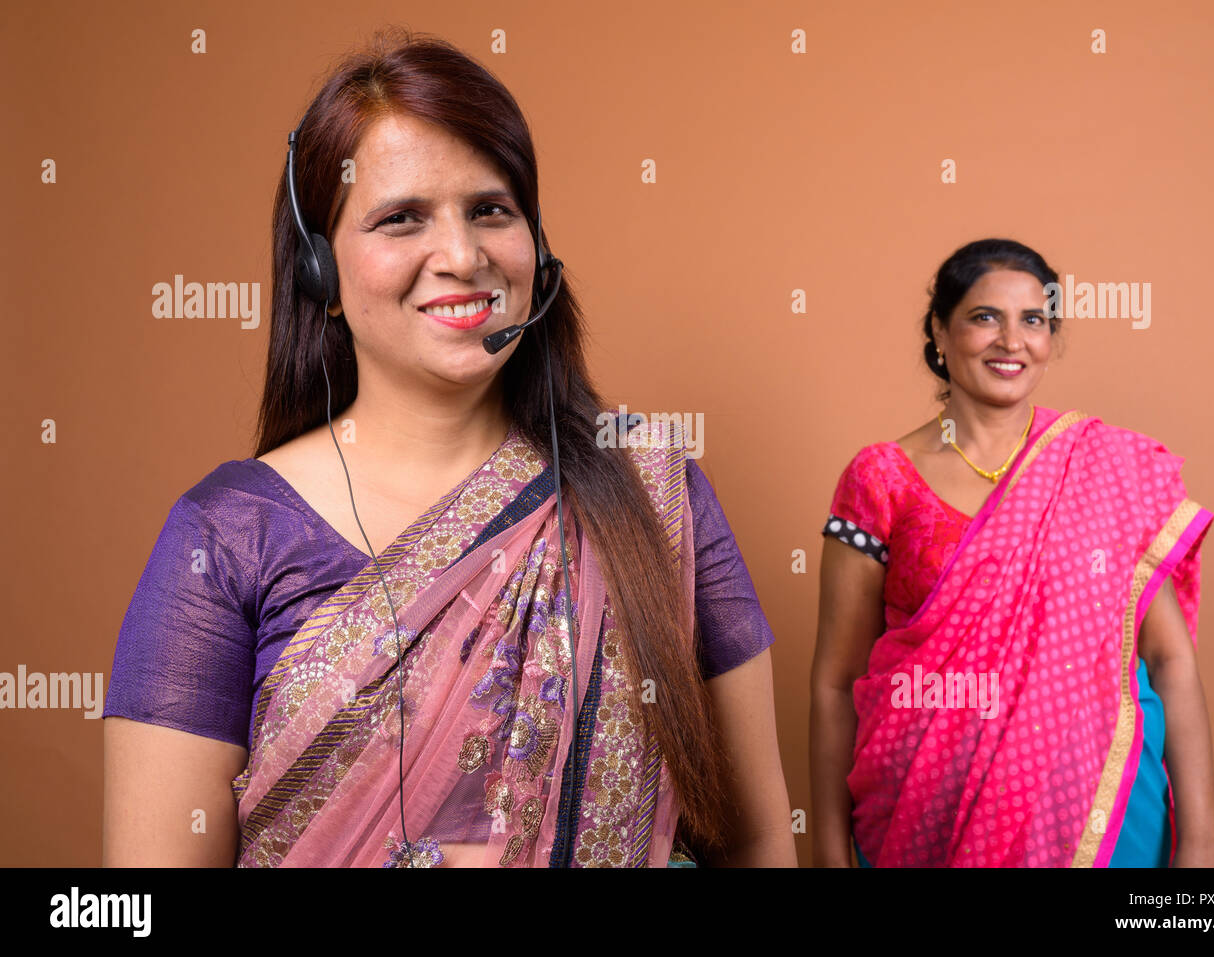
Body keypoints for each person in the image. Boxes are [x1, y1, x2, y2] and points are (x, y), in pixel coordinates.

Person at [103, 29, 794, 868]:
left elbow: (760, 841)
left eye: (490, 210)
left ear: (538, 251)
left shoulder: (654, 491)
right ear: (320, 271)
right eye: (401, 219)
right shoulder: (227, 535)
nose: (463, 257)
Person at [809, 238, 1214, 867]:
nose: (1012, 340)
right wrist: (829, 853)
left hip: (1099, 819)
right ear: (940, 333)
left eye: (1033, 320)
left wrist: (1201, 846)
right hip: (918, 824)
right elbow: (837, 683)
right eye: (984, 318)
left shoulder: (1108, 471)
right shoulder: (881, 478)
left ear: (1051, 339)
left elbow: (1169, 660)